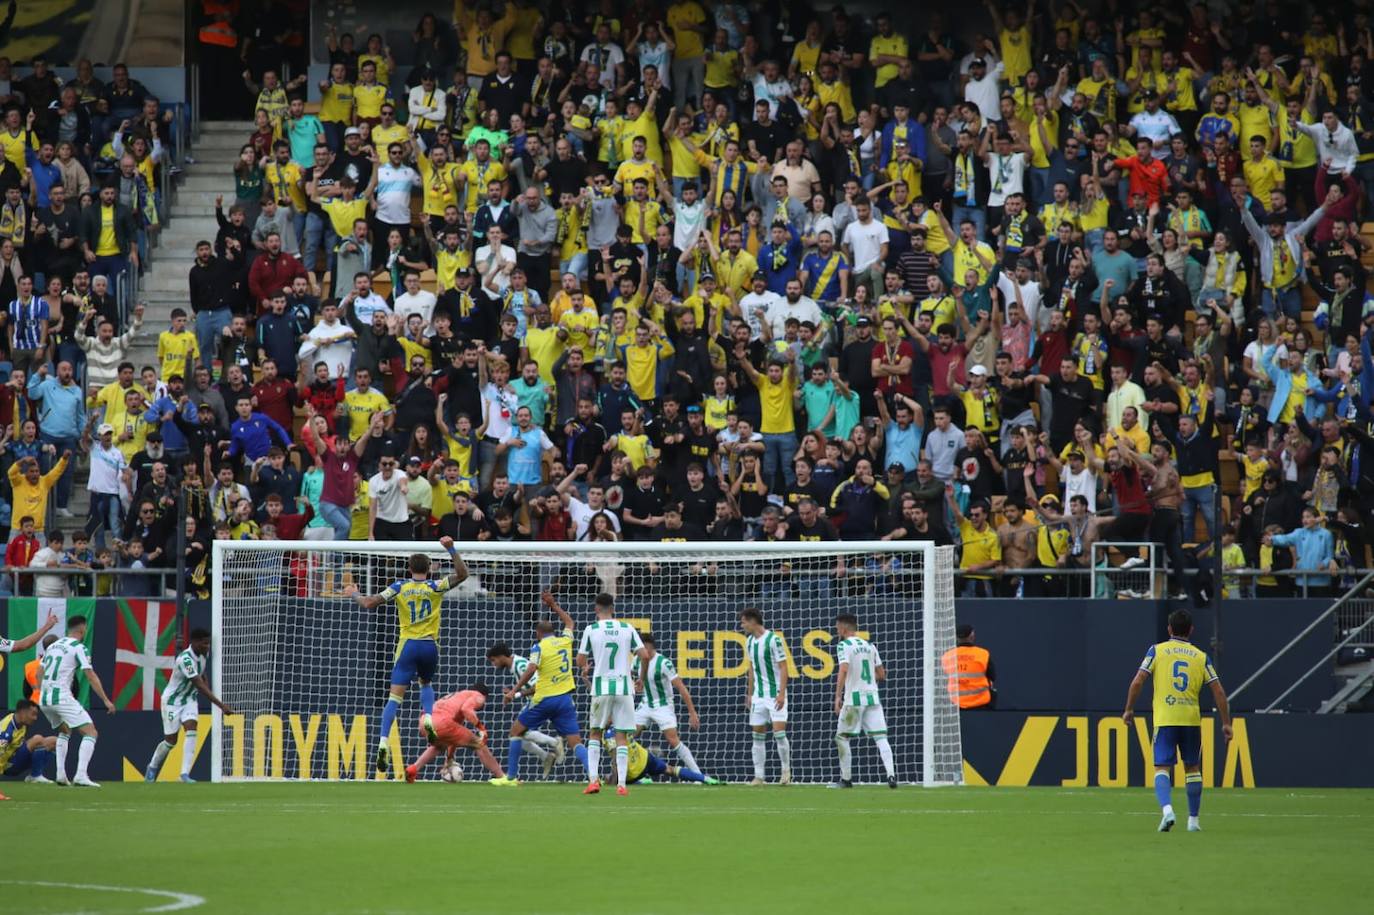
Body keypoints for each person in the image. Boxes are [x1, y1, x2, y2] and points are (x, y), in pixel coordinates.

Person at [345, 537, 470, 775]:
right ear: (430, 567)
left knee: (394, 699)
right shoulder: (436, 587)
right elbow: (463, 574)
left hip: (408, 646)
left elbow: (370, 603)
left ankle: (383, 742)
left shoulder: (400, 586)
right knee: (426, 683)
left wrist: (354, 594)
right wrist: (451, 549)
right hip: (430, 647)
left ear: (410, 569)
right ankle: (429, 719)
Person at [1122, 609, 1232, 833]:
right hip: (1190, 719)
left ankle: (1167, 811)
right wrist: (1226, 723)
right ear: (1191, 630)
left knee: (1162, 767)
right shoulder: (1201, 657)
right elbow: (1219, 692)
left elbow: (1137, 682)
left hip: (1165, 719)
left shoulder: (1157, 651)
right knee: (1192, 767)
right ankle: (1193, 820)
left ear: (1169, 629)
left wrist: (1129, 709)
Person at [498, 591, 593, 786]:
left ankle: (511, 778)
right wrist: (553, 605)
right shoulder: (565, 641)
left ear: (538, 633)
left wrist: (513, 691)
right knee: (575, 742)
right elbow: (570, 623)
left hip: (544, 699)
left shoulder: (538, 647)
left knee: (515, 732)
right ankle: (593, 776)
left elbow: (531, 669)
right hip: (565, 700)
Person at [576, 591, 649, 795]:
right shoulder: (627, 628)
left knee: (595, 733)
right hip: (624, 687)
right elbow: (644, 655)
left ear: (596, 609)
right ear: (613, 609)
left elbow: (580, 661)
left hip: (601, 687)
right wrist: (640, 678)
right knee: (622, 736)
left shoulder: (591, 629)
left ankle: (593, 781)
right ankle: (622, 785)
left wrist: (585, 668)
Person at [143, 628, 234, 783]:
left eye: (208, 643)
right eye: (204, 644)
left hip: (190, 700)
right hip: (172, 701)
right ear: (194, 642)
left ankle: (184, 774)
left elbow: (202, 673)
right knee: (171, 741)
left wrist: (206, 680)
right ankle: (152, 767)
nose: (207, 647)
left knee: (192, 729)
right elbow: (198, 684)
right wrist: (221, 706)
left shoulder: (204, 653)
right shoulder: (185, 659)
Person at [37, 615, 116, 787]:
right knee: (90, 732)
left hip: (44, 698)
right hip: (62, 697)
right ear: (82, 629)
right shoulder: (78, 647)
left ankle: (60, 774)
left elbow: (39, 673)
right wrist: (106, 700)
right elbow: (90, 675)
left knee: (64, 731)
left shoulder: (53, 646)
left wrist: (40, 691)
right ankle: (80, 775)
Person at [484, 642, 566, 777]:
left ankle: (555, 743)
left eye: (493, 660)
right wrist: (513, 692)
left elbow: (538, 686)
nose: (494, 664)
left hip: (540, 701)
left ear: (501, 656)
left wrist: (515, 694)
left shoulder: (520, 665)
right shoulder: (515, 665)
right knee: (517, 736)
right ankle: (546, 756)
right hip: (534, 701)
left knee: (516, 733)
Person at [403, 684, 507, 783]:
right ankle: (502, 777)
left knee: (439, 746)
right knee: (479, 744)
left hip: (424, 722)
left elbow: (453, 739)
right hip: (441, 722)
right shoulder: (477, 695)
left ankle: (413, 769)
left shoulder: (456, 696)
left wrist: (450, 758)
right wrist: (481, 728)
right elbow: (466, 709)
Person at [634, 634, 702, 775]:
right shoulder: (636, 660)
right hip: (646, 704)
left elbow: (681, 688)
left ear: (648, 646)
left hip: (663, 705)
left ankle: (698, 775)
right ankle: (634, 774)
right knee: (627, 737)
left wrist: (692, 712)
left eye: (640, 646)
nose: (637, 649)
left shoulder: (664, 663)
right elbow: (628, 677)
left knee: (673, 740)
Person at [739, 606, 790, 786]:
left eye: (744, 622)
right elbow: (751, 669)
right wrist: (750, 693)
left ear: (753, 621)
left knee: (779, 733)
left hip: (775, 694)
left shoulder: (774, 639)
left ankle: (785, 772)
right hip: (759, 696)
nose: (742, 625)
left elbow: (784, 667)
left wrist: (782, 693)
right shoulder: (749, 642)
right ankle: (759, 776)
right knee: (757, 735)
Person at [0, 698, 59, 792]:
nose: (35, 718)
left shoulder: (20, 722)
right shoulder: (6, 732)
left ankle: (34, 775)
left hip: (16, 757)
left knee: (55, 741)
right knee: (37, 739)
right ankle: (36, 776)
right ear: (23, 712)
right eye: (33, 714)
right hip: (8, 766)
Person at [941, 623, 995, 709]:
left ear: (957, 638)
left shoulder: (947, 656)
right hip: (981, 704)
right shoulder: (983, 654)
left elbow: (944, 675)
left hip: (956, 705)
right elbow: (992, 677)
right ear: (972, 636)